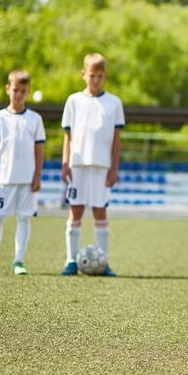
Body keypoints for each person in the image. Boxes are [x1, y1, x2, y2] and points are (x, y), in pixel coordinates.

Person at [60, 53, 125, 276]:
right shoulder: (73, 101)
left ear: (104, 75)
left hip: (102, 166)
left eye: (99, 76)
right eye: (91, 75)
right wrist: (65, 161)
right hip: (77, 164)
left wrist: (114, 167)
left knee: (99, 211)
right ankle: (71, 260)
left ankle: (103, 262)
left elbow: (117, 138)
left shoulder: (114, 103)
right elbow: (67, 134)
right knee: (75, 209)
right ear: (83, 74)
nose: (95, 79)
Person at [0, 70, 45, 275]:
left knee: (23, 218)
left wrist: (37, 176)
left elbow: (39, 149)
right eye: (15, 90)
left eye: (23, 91)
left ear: (28, 91)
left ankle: (18, 261)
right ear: (8, 89)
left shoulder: (35, 119)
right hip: (4, 179)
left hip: (27, 180)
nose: (19, 94)